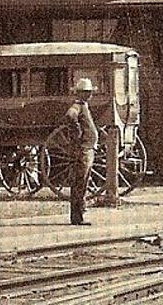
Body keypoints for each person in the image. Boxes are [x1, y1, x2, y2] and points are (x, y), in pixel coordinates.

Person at [66, 78, 99, 226]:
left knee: (82, 182)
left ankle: (78, 215)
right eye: (87, 92)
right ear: (82, 93)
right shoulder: (78, 105)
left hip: (88, 148)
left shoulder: (84, 106)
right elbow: (70, 115)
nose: (90, 94)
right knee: (80, 182)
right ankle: (78, 216)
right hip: (84, 150)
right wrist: (77, 131)